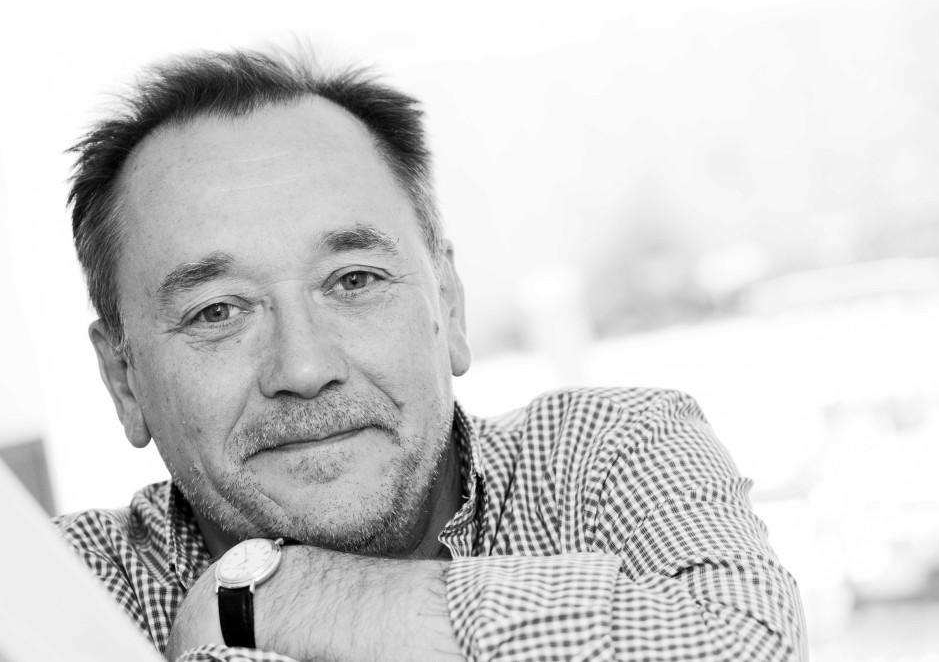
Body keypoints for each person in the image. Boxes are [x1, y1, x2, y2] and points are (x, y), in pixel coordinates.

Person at [55, 47, 807, 662]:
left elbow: (745, 647)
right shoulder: (56, 586)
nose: (306, 368)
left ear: (446, 304)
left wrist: (269, 599)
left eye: (354, 280)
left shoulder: (607, 454)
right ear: (123, 379)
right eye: (216, 311)